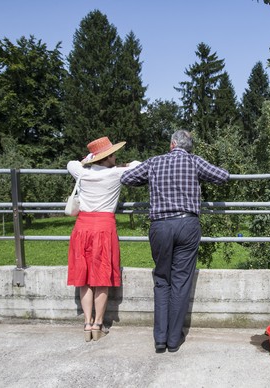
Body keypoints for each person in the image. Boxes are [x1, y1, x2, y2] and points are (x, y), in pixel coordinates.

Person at [120, 130, 230, 353]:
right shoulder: (195, 161)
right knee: (181, 281)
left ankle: (159, 339)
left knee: (162, 280)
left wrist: (149, 178)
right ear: (189, 147)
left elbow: (126, 178)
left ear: (172, 144)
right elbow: (223, 176)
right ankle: (173, 340)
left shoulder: (154, 162)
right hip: (187, 225)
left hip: (160, 226)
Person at [67, 136, 140, 342]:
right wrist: (123, 164)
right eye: (113, 154)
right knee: (101, 278)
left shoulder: (82, 172)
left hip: (82, 227)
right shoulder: (116, 173)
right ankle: (98, 324)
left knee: (84, 280)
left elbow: (71, 164)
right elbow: (138, 165)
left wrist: (86, 160)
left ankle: (87, 324)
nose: (116, 157)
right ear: (107, 157)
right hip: (104, 228)